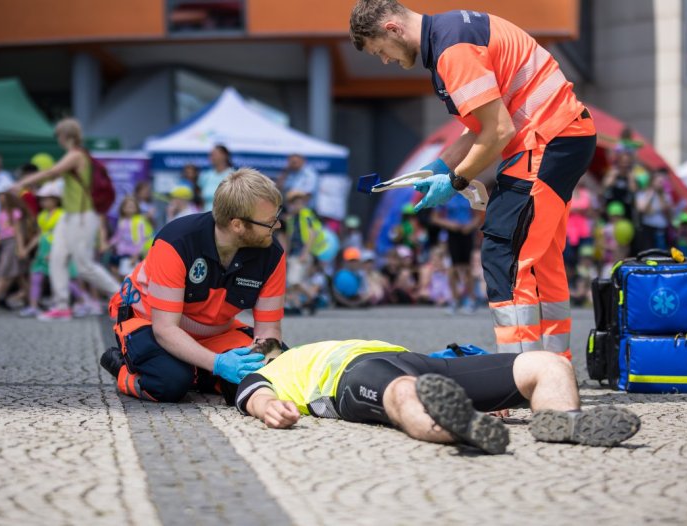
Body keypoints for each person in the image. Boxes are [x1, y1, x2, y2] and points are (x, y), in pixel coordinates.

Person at [350, 1, 597, 357]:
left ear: (392, 29)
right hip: (561, 135)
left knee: (505, 253)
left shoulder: (452, 50)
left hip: (544, 140)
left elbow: (497, 131)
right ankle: (552, 366)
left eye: (380, 51)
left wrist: (457, 180)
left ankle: (522, 377)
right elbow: (480, 129)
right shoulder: (452, 33)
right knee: (538, 258)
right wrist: (437, 169)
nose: (385, 60)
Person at [236, 338, 641, 454]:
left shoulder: (310, 345)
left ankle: (561, 420)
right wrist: (269, 407)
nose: (259, 346)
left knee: (549, 363)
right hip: (351, 377)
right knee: (402, 394)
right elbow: (254, 395)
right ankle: (460, 426)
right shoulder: (266, 371)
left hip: (416, 360)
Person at [98, 168, 286, 403]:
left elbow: (268, 332)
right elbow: (165, 329)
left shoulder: (272, 254)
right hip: (147, 321)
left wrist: (263, 366)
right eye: (269, 222)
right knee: (170, 383)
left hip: (213, 331)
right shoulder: (176, 241)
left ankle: (198, 371)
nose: (277, 226)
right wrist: (217, 364)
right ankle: (125, 371)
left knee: (278, 366)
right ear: (237, 225)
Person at [10, 118, 120, 321]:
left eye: (58, 135)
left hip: (82, 216)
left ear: (65, 135)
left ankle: (123, 298)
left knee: (83, 264)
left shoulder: (77, 155)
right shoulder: (74, 155)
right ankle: (61, 306)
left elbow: (53, 172)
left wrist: (22, 183)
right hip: (68, 216)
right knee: (57, 258)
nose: (57, 139)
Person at [18, 181, 89, 318]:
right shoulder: (42, 215)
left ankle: (83, 302)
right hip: (42, 252)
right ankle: (33, 306)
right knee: (35, 277)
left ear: (56, 200)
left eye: (47, 199)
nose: (43, 202)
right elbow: (40, 234)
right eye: (42, 199)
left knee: (65, 280)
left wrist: (55, 252)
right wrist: (27, 249)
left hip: (58, 250)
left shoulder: (62, 214)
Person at [0, 181, 34, 311]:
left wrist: (21, 248)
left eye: (1, 195)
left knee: (3, 273)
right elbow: (0, 233)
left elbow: (18, 232)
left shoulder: (15, 212)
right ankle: (32, 301)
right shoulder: (1, 213)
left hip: (13, 244)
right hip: (5, 244)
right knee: (19, 276)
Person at [430, 193, 483, 314]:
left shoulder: (470, 194)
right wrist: (449, 224)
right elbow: (435, 218)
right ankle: (454, 300)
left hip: (467, 233)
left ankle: (470, 299)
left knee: (467, 267)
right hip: (452, 233)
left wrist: (470, 226)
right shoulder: (445, 195)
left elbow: (477, 217)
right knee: (452, 267)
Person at [104, 196, 153, 279]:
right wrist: (108, 244)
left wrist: (136, 255)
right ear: (123, 208)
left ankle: (125, 290)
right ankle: (119, 288)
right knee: (114, 269)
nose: (129, 208)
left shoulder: (139, 221)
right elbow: (118, 236)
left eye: (132, 206)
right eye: (127, 206)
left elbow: (141, 240)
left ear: (136, 208)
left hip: (132, 253)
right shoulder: (122, 221)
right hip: (121, 252)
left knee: (128, 275)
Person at [198, 145, 233, 213]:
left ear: (224, 156)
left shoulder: (233, 175)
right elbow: (201, 199)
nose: (211, 157)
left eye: (214, 154)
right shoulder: (205, 176)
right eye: (211, 155)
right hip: (206, 216)